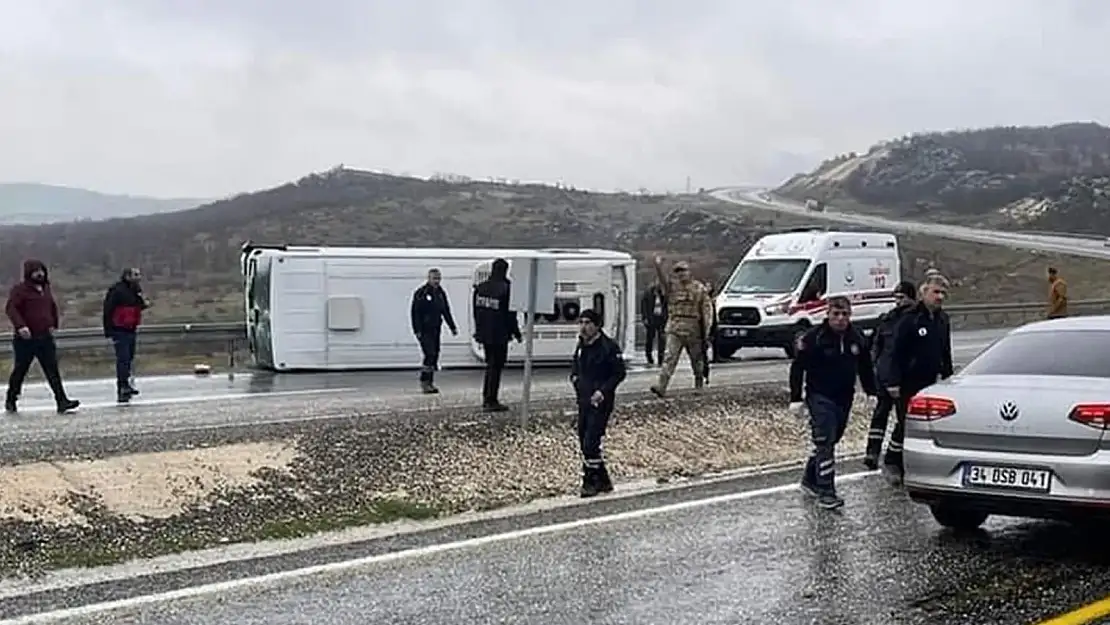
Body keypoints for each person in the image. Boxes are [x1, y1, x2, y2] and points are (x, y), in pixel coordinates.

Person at [788, 296, 877, 510]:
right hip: (819, 395)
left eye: (844, 314)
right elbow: (797, 368)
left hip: (844, 397)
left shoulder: (856, 337)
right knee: (825, 440)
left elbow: (865, 366)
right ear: (827, 314)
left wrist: (871, 392)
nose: (840, 319)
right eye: (835, 314)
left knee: (831, 439)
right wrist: (796, 398)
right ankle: (826, 492)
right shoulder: (813, 338)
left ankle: (810, 480)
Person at [877, 274, 954, 485]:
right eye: (936, 292)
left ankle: (904, 461)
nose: (939, 297)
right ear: (924, 293)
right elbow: (895, 351)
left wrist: (948, 378)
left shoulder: (942, 320)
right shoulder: (909, 319)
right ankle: (893, 461)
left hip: (930, 381)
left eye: (943, 293)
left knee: (918, 425)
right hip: (906, 381)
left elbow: (945, 351)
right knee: (906, 422)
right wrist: (892, 381)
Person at [4, 260, 80, 414]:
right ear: (28, 273)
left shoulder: (45, 289)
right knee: (20, 370)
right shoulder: (20, 290)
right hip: (26, 339)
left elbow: (52, 307)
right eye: (36, 271)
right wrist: (21, 326)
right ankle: (11, 399)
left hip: (44, 336)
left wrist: (53, 324)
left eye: (41, 270)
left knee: (52, 370)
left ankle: (62, 401)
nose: (39, 274)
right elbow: (11, 309)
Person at [570, 309, 627, 498]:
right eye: (581, 322)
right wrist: (576, 380)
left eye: (588, 323)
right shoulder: (581, 346)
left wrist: (602, 391)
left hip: (601, 402)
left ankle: (590, 481)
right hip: (584, 400)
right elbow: (575, 367)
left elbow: (619, 373)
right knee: (583, 439)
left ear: (597, 325)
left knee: (590, 443)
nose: (584, 327)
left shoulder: (608, 347)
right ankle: (603, 479)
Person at [862, 280, 917, 470]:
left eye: (902, 298)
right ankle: (872, 453)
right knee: (880, 415)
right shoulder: (888, 318)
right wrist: (876, 366)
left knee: (903, 419)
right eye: (896, 298)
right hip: (885, 376)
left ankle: (894, 456)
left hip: (905, 378)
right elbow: (876, 345)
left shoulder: (915, 319)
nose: (898, 302)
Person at [649, 257, 713, 398]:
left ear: (689, 272)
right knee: (669, 358)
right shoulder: (672, 288)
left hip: (694, 329)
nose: (681, 274)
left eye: (683, 271)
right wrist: (658, 267)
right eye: (678, 271)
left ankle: (698, 385)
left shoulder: (699, 289)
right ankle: (662, 386)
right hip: (675, 327)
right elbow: (662, 282)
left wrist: (706, 331)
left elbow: (707, 311)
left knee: (697, 359)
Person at [473, 258, 522, 411]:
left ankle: (487, 397)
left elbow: (476, 312)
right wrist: (516, 332)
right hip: (500, 334)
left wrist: (479, 330)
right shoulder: (506, 288)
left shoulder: (480, 288)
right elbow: (510, 315)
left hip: (485, 333)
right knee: (496, 366)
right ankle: (491, 399)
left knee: (490, 366)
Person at [102, 267, 149, 403]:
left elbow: (139, 305)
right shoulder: (117, 290)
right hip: (119, 329)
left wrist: (143, 303)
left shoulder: (135, 290)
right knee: (123, 358)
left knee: (129, 357)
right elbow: (108, 309)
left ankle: (127, 384)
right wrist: (108, 329)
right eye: (135, 275)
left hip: (131, 328)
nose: (138, 277)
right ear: (127, 276)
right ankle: (122, 385)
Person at [411, 268, 458, 394]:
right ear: (429, 279)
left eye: (438, 278)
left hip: (436, 328)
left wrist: (452, 326)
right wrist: (417, 330)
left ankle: (430, 381)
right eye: (434, 278)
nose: (437, 281)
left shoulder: (441, 293)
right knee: (429, 354)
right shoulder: (421, 293)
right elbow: (415, 313)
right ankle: (425, 381)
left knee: (435, 354)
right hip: (424, 329)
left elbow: (445, 310)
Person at [640, 280, 667, 366]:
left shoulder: (664, 294)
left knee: (662, 340)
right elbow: (644, 306)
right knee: (650, 339)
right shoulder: (648, 293)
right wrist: (645, 317)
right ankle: (649, 358)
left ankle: (661, 359)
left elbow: (667, 305)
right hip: (651, 318)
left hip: (661, 319)